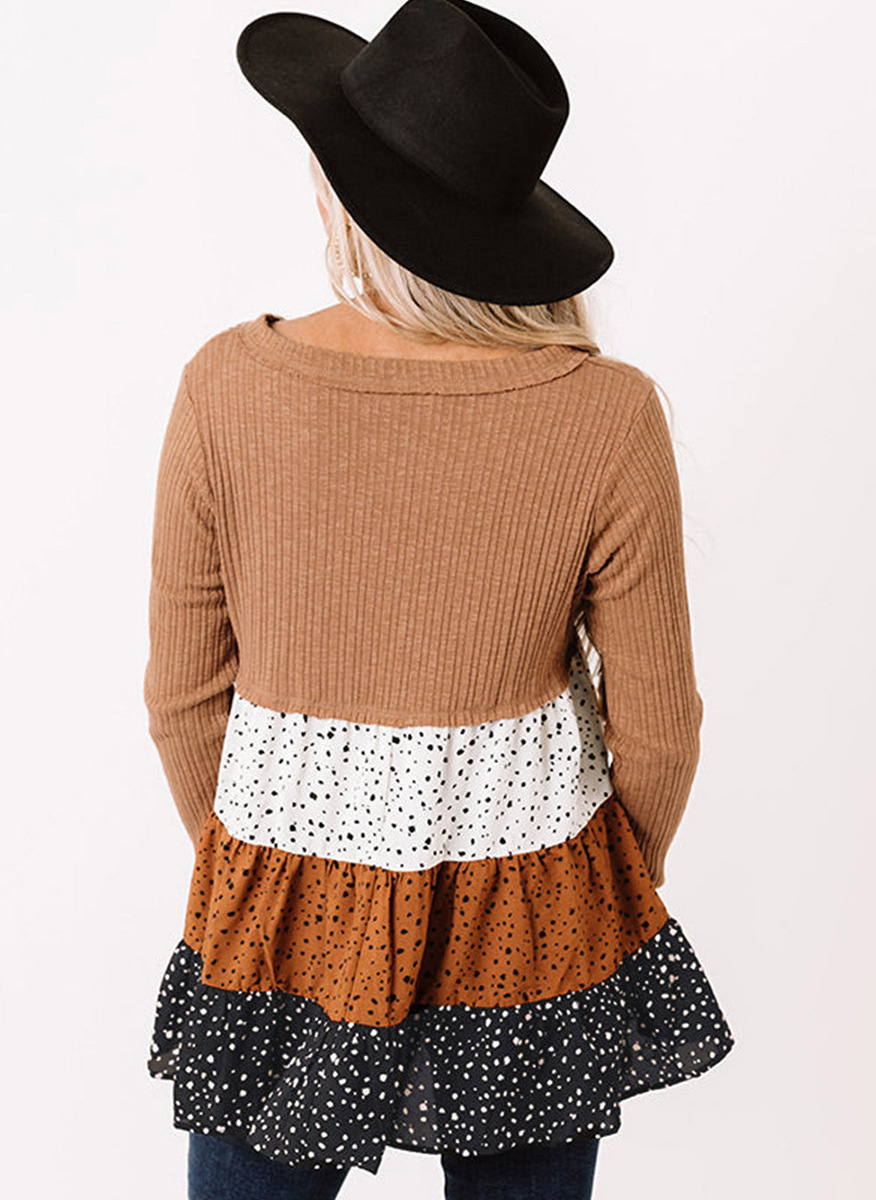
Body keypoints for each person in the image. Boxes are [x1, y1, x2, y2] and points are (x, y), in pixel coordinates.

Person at [143, 3, 735, 1197]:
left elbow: (183, 698)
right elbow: (662, 727)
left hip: (284, 903)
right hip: (534, 909)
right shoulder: (606, 412)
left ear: (341, 194)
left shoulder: (227, 385)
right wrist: (602, 893)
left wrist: (265, 872)